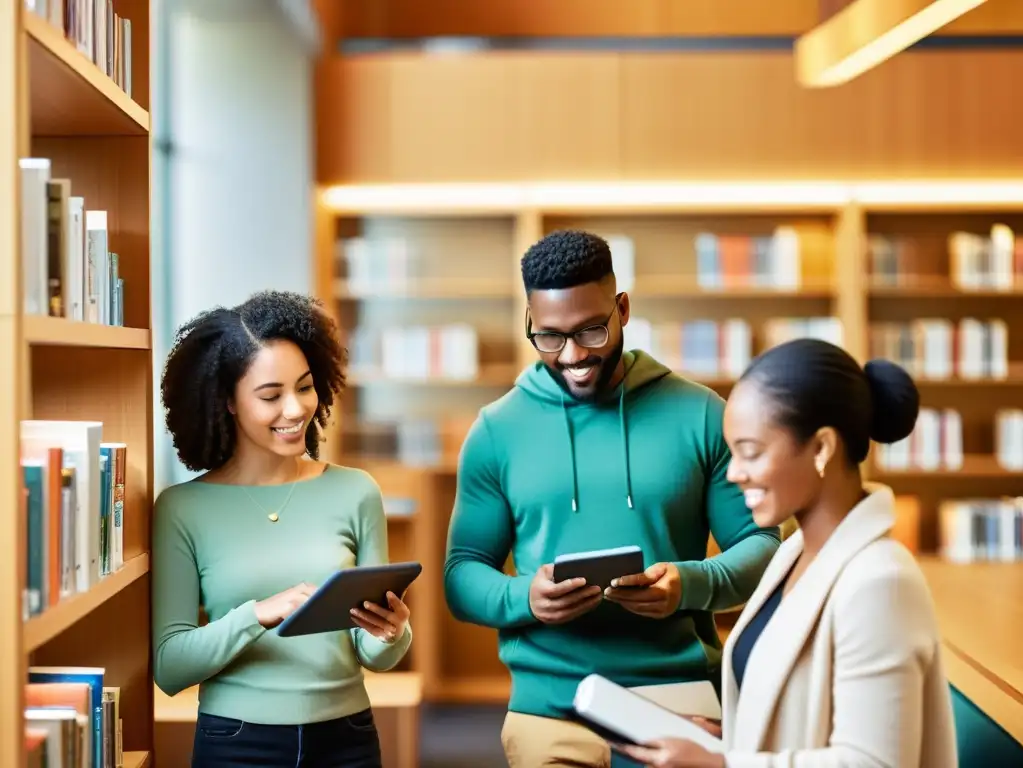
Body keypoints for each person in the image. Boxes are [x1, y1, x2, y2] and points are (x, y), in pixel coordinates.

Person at [443, 230, 782, 767]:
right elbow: (461, 575)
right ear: (530, 323)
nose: (573, 355)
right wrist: (523, 599)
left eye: (591, 330)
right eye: (550, 337)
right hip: (548, 711)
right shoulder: (496, 430)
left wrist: (690, 584)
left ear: (622, 309)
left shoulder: (701, 415)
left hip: (680, 707)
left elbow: (764, 544)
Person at [614, 338, 959, 768]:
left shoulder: (880, 581)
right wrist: (729, 741)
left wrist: (723, 765)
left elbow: (874, 763)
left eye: (751, 452)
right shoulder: (793, 554)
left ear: (821, 448)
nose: (735, 473)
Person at [152, 290, 412, 768]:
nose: (295, 410)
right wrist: (258, 614)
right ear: (227, 401)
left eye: (306, 387)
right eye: (271, 396)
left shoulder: (356, 491)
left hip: (347, 737)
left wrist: (392, 634)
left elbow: (373, 656)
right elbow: (170, 666)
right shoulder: (182, 508)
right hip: (236, 743)